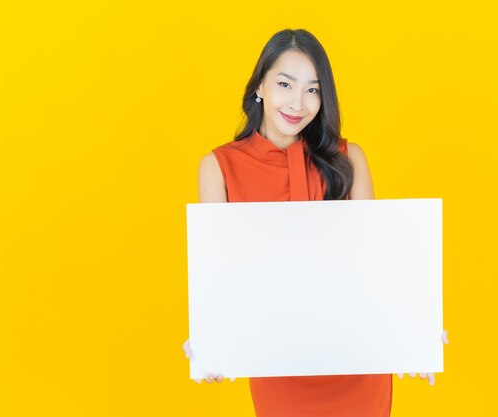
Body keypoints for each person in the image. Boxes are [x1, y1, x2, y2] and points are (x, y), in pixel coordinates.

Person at [182, 28, 448, 417]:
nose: (298, 102)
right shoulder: (219, 167)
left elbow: (373, 265)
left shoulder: (349, 158)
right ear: (260, 85)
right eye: (285, 84)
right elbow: (219, 274)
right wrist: (210, 336)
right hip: (277, 364)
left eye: (313, 89)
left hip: (358, 363)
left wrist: (412, 329)